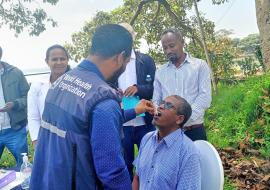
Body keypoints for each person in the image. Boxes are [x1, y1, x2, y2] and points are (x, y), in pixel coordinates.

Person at [30, 24, 154, 190]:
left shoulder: (62, 81)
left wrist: (135, 111)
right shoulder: (103, 100)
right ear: (120, 57)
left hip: (47, 180)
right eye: (126, 62)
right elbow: (112, 173)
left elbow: (86, 124)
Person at [153, 28, 212, 141]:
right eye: (165, 48)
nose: (168, 50)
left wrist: (180, 120)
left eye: (172, 45)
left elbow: (204, 98)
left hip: (193, 130)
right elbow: (156, 100)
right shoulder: (160, 71)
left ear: (182, 42)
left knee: (196, 159)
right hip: (168, 133)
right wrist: (164, 119)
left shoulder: (199, 65)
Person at [133, 95, 201, 190]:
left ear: (179, 119)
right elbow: (137, 178)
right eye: (162, 103)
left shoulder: (188, 152)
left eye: (169, 106)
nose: (160, 106)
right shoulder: (146, 139)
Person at [117, 23, 156, 179]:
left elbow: (154, 87)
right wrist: (114, 92)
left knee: (148, 162)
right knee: (124, 165)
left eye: (128, 33)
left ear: (133, 36)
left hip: (144, 122)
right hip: (122, 123)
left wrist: (138, 88)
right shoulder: (112, 62)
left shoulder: (145, 60)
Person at [28, 44, 70, 147]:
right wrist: (36, 141)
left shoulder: (77, 84)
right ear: (47, 61)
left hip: (72, 140)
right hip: (47, 140)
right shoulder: (37, 86)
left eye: (62, 59)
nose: (59, 62)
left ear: (67, 60)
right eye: (54, 59)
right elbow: (33, 116)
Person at [0, 46, 30, 167]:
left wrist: (15, 104)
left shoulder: (15, 72)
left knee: (24, 165)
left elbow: (28, 97)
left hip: (15, 129)